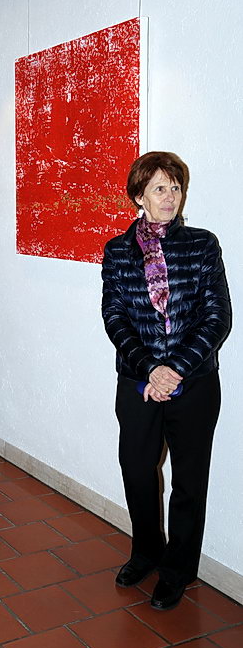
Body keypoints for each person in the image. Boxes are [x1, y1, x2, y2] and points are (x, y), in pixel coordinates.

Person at [101, 151, 230, 611]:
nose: (170, 196)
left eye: (175, 187)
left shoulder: (202, 244)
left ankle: (178, 569)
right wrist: (150, 369)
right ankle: (146, 551)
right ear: (139, 196)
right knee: (137, 471)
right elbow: (114, 316)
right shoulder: (118, 250)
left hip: (194, 383)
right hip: (138, 382)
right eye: (160, 188)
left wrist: (175, 369)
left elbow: (217, 317)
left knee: (189, 480)